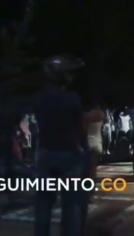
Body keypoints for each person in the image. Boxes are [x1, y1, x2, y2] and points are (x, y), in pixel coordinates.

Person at [34, 55, 87, 236]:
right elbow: (79, 127)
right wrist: (79, 147)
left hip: (45, 152)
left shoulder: (40, 97)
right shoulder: (71, 98)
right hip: (68, 154)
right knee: (71, 206)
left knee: (43, 205)